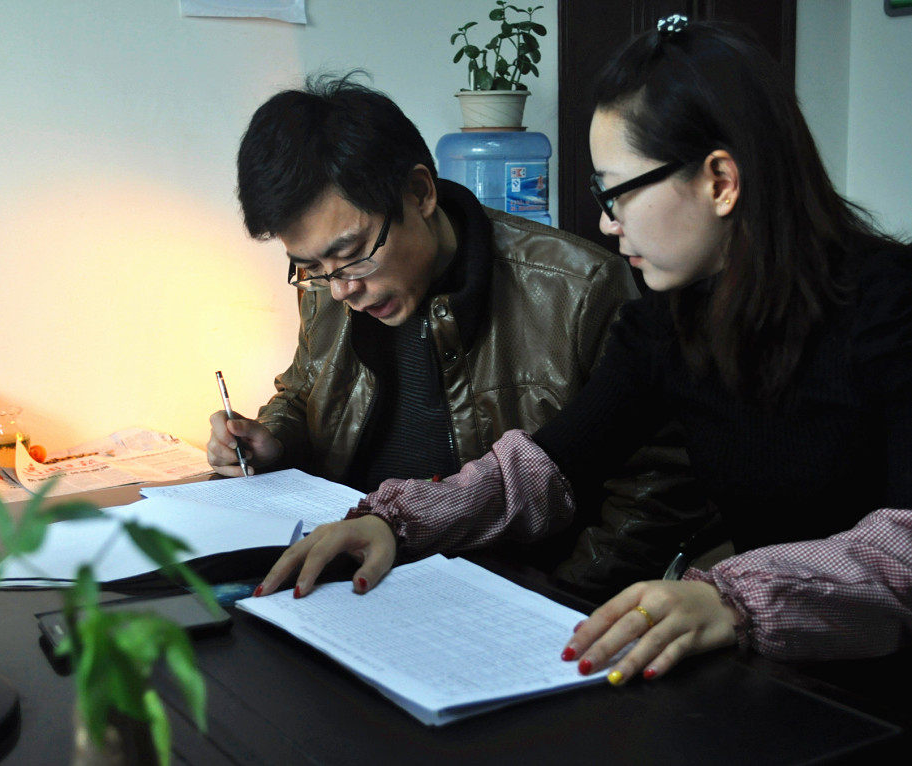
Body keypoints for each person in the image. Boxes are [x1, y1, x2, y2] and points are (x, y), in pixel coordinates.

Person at [256, 16, 912, 683]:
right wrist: (399, 522)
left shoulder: (891, 304)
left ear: (720, 181)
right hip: (779, 666)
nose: (604, 221)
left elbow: (904, 544)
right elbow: (550, 465)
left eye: (617, 192)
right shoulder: (667, 319)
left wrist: (733, 596)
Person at [209, 73, 712, 597]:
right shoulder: (330, 287)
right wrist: (272, 441)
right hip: (355, 569)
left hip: (505, 590)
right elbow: (304, 394)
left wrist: (560, 598)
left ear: (420, 192)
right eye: (311, 267)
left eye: (352, 253)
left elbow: (652, 489)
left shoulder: (579, 289)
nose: (341, 289)